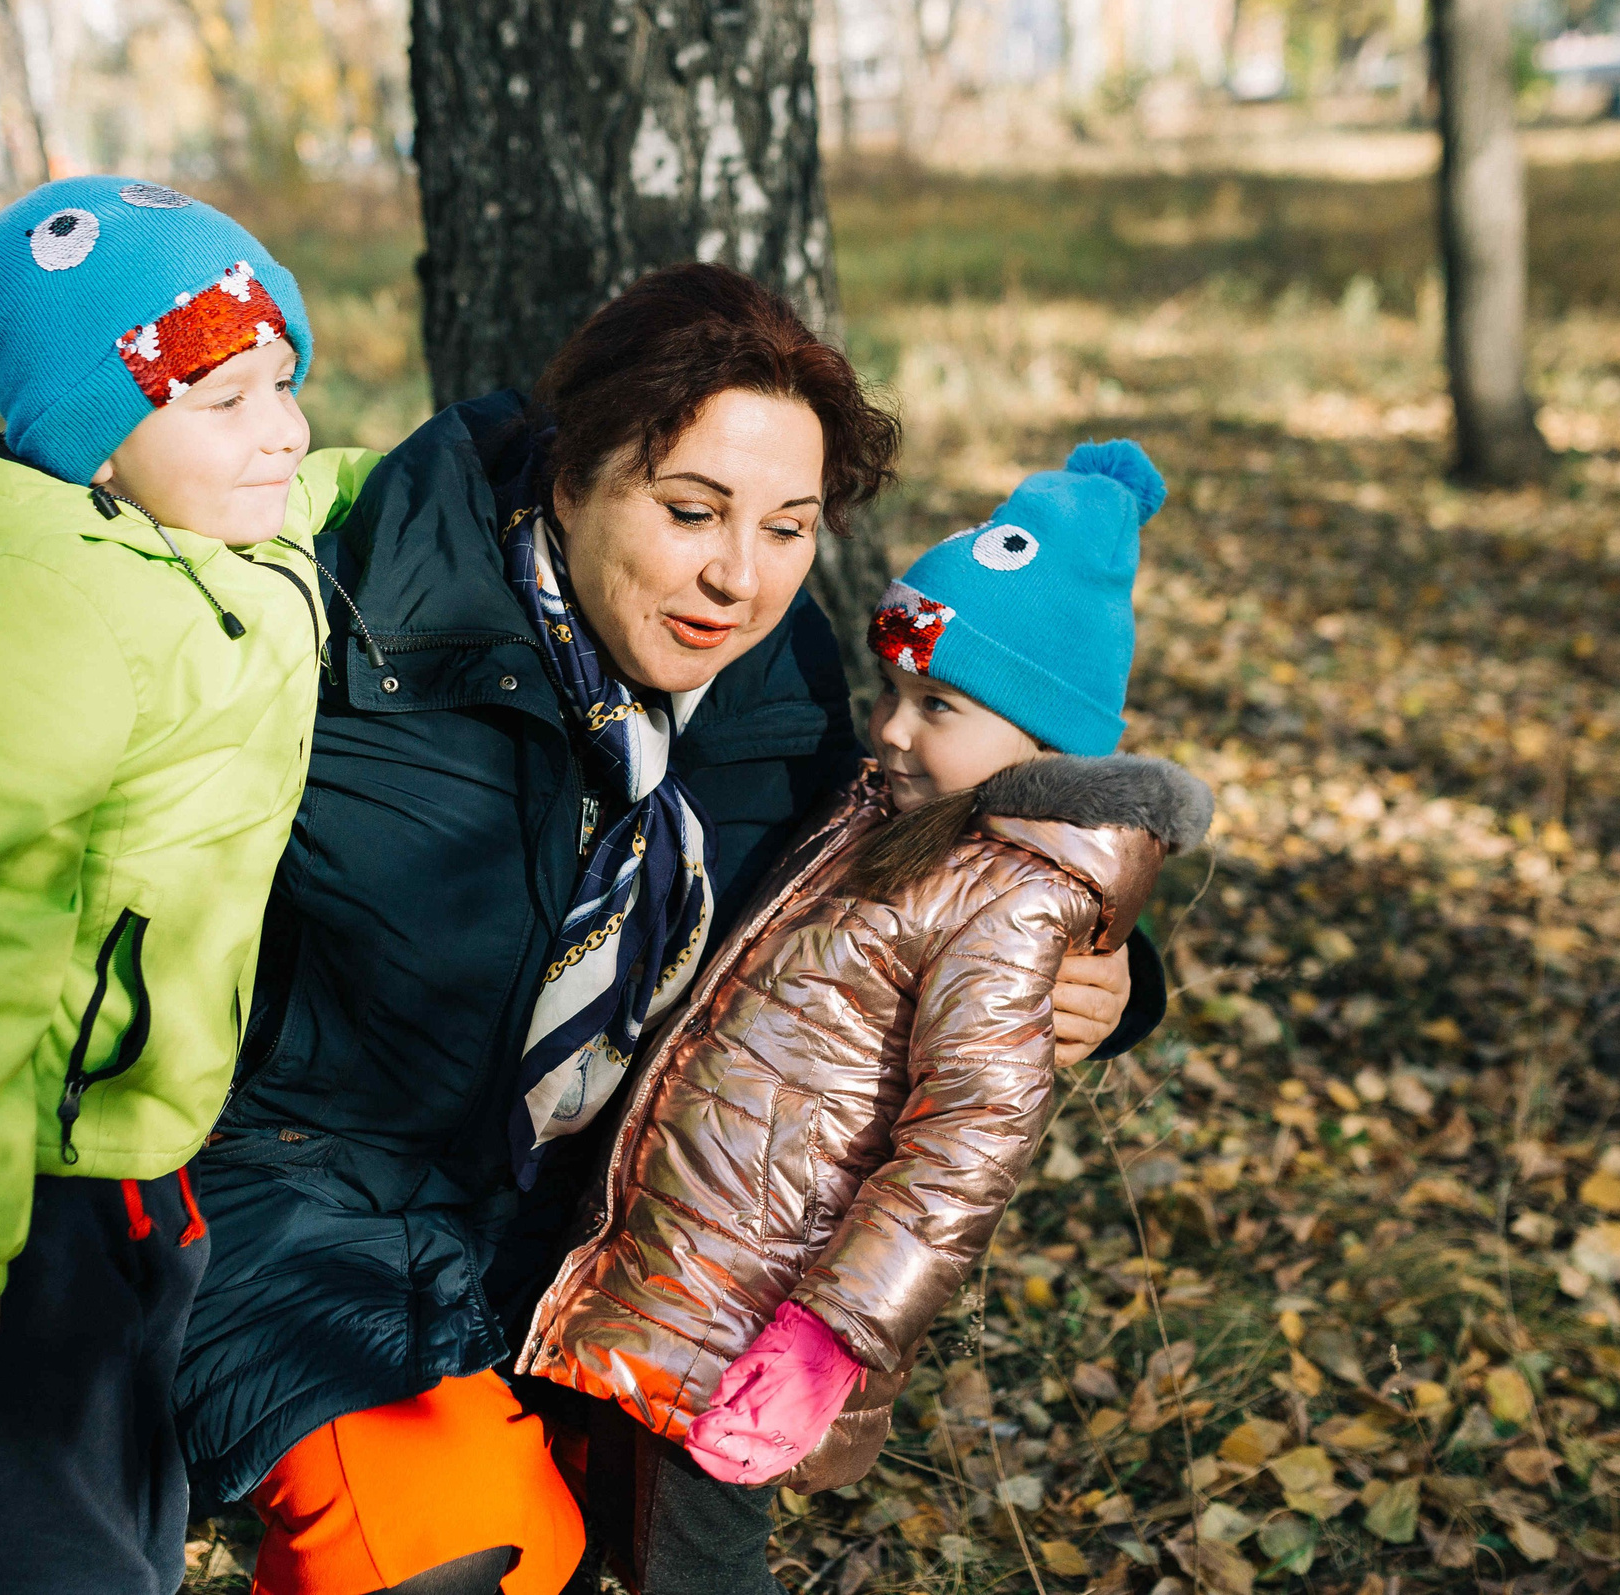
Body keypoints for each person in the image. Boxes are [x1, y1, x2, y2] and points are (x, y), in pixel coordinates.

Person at [0, 263, 1157, 1595]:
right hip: (297, 1182)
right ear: (571, 478)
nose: (738, 577)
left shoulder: (776, 683)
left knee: (551, 1550)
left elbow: (897, 864)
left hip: (576, 1219)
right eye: (691, 510)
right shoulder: (357, 593)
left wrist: (1109, 970)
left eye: (789, 527)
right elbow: (75, 668)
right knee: (445, 1548)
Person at [0, 176, 378, 1595]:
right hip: (18, 1173)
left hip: (136, 1131)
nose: (280, 429)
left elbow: (330, 483)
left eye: (284, 382)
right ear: (98, 439)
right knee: (50, 1531)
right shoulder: (31, 606)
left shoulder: (206, 529)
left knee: (130, 1486)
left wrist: (476, 458)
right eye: (227, 399)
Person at [519, 442, 1211, 1585]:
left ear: (1046, 737)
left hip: (751, 1318)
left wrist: (831, 1336)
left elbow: (963, 1150)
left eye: (935, 705)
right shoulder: (890, 818)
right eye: (891, 693)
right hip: (677, 1272)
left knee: (690, 1564)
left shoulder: (1010, 896)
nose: (888, 730)